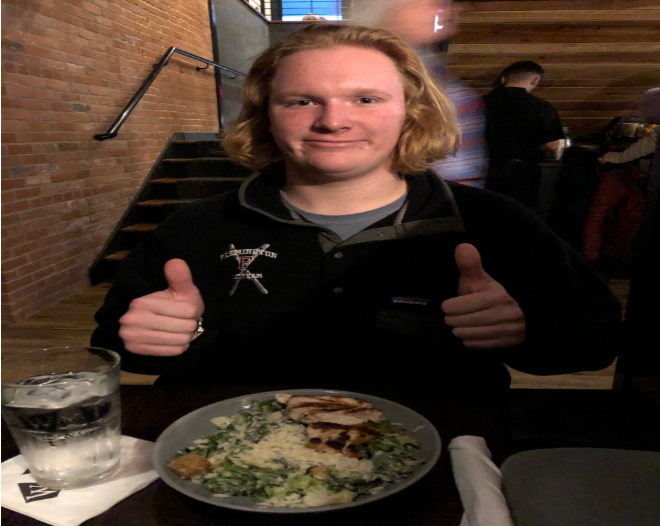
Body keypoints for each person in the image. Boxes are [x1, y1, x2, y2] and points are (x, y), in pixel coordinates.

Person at [91, 25, 619, 403]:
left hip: (433, 463)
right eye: (301, 101)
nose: (333, 122)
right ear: (266, 115)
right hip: (236, 463)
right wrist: (146, 339)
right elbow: (116, 345)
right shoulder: (194, 229)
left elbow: (595, 341)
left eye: (365, 99)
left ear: (411, 112)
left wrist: (525, 329)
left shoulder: (494, 224)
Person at [483, 61, 565, 206]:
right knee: (518, 218)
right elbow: (553, 145)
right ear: (535, 80)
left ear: (503, 79)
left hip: (482, 169)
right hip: (522, 172)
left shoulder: (478, 103)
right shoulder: (542, 107)